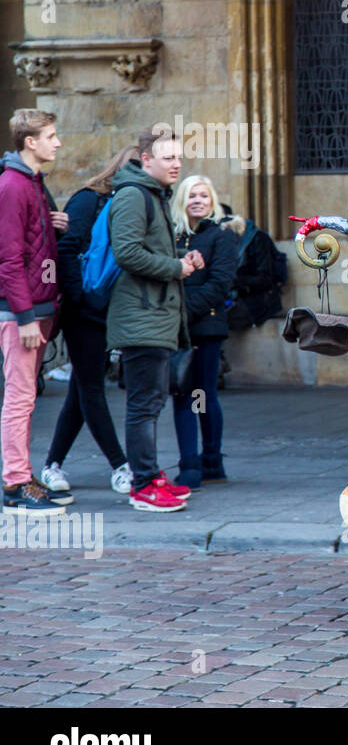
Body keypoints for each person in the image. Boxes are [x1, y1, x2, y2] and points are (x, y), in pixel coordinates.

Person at [107, 128, 200, 513]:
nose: (176, 163)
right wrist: (175, 267)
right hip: (141, 317)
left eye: (179, 157)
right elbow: (127, 252)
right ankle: (143, 485)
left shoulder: (154, 195)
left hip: (155, 316)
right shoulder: (133, 196)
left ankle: (151, 474)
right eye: (168, 157)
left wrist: (182, 261)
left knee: (152, 401)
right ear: (146, 160)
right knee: (143, 405)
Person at [42, 145, 136, 496]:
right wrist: (81, 299)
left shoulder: (135, 203)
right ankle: (120, 465)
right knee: (91, 388)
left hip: (107, 310)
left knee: (82, 388)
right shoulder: (89, 200)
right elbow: (66, 250)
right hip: (84, 312)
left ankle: (52, 464)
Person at [1, 109, 70, 514]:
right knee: (20, 398)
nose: (57, 142)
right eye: (51, 135)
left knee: (27, 398)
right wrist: (25, 317)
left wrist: (51, 224)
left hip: (37, 307)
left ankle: (24, 476)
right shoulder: (13, 185)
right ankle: (15, 485)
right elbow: (8, 259)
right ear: (31, 142)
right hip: (19, 314)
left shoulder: (32, 183)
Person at [171, 175, 239, 489]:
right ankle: (190, 463)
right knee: (182, 393)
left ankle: (212, 459)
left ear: (211, 201)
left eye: (204, 196)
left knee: (203, 394)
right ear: (182, 201)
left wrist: (183, 310)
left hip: (205, 327)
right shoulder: (172, 237)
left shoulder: (221, 236)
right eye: (192, 195)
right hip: (175, 328)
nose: (198, 200)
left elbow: (220, 284)